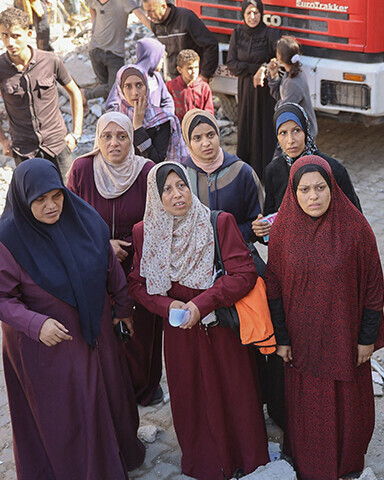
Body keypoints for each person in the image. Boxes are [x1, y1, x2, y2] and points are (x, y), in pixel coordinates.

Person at [0, 158, 145, 478]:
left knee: (108, 396)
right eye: (39, 200)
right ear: (24, 200)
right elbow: (3, 298)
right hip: (47, 346)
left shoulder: (85, 220)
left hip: (96, 332)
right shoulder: (9, 238)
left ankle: (112, 462)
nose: (51, 206)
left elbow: (111, 270)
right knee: (64, 413)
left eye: (56, 195)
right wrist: (36, 325)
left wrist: (122, 311)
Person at [128, 162, 269, 479]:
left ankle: (247, 459)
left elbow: (244, 274)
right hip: (180, 337)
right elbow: (137, 285)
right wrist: (168, 306)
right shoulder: (145, 233)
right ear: (155, 195)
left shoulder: (217, 223)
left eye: (182, 186)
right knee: (192, 397)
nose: (177, 195)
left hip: (220, 331)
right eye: (167, 189)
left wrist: (203, 304)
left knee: (234, 393)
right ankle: (205, 463)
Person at [266, 155, 384, 479]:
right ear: (293, 192)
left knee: (346, 406)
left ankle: (346, 462)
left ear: (333, 188)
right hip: (301, 343)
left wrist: (366, 339)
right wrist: (282, 339)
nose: (313, 196)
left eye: (320, 188)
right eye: (304, 190)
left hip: (345, 341)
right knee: (308, 408)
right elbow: (273, 289)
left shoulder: (355, 229)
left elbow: (374, 288)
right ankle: (310, 463)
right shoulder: (282, 232)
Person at [66, 112, 163, 407]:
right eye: (107, 137)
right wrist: (104, 245)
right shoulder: (82, 169)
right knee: (104, 333)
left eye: (121, 136)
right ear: (98, 139)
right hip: (95, 267)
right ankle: (110, 392)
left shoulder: (146, 171)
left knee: (140, 332)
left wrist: (131, 244)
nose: (114, 143)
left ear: (130, 139)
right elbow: (69, 218)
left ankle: (143, 389)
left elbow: (160, 220)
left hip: (139, 266)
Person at [0, 7, 83, 176]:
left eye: (16, 36)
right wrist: (3, 140)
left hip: (58, 146)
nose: (10, 42)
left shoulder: (50, 61)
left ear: (28, 34)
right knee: (34, 199)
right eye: (4, 35)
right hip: (24, 151)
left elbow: (74, 92)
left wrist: (76, 134)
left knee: (70, 195)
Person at [254, 102, 360, 226]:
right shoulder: (273, 171)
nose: (291, 140)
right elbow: (271, 219)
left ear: (306, 131)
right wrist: (262, 230)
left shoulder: (333, 169)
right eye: (283, 133)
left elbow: (355, 220)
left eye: (296, 130)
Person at [181, 109, 262, 240]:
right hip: (194, 258)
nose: (206, 143)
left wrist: (225, 238)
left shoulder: (242, 172)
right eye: (197, 138)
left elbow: (257, 224)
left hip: (236, 253)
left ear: (218, 134)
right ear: (187, 142)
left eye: (211, 135)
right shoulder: (181, 177)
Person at [226, 0, 279, 182]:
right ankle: (246, 173)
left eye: (256, 12)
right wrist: (255, 68)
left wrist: (263, 68)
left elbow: (277, 59)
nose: (252, 17)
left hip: (265, 92)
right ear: (243, 14)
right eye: (249, 13)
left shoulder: (271, 33)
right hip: (246, 89)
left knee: (264, 127)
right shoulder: (237, 33)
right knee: (247, 125)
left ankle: (266, 173)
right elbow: (231, 64)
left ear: (262, 13)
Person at [112, 64, 188, 163]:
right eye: (128, 86)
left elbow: (156, 161)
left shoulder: (161, 120)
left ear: (146, 87)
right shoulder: (113, 119)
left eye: (139, 85)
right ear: (121, 90)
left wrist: (138, 128)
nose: (135, 92)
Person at [85, 0, 149, 100]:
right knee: (105, 87)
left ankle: (84, 95)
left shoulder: (124, 2)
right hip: (95, 50)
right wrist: (93, 25)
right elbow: (92, 8)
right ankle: (109, 112)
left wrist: (158, 32)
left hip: (115, 54)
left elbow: (141, 17)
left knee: (115, 88)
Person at [141, 0, 218, 82]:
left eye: (151, 11)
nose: (148, 15)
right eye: (146, 11)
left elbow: (210, 44)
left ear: (164, 6)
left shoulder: (186, 18)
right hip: (175, 79)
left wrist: (204, 75)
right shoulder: (156, 24)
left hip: (193, 79)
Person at [262, 35, 318, 139]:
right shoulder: (290, 74)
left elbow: (284, 109)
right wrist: (274, 75)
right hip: (297, 131)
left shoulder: (293, 82)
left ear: (280, 57)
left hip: (302, 135)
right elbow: (280, 96)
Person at [106, 37, 175, 114]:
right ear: (151, 57)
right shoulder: (129, 76)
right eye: (160, 57)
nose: (162, 61)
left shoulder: (156, 77)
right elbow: (111, 107)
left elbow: (167, 101)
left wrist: (163, 116)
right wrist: (132, 115)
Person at [166, 49, 214, 122]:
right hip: (177, 127)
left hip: (198, 127)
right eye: (190, 68)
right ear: (179, 69)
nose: (194, 71)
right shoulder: (171, 86)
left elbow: (209, 112)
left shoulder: (204, 87)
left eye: (196, 67)